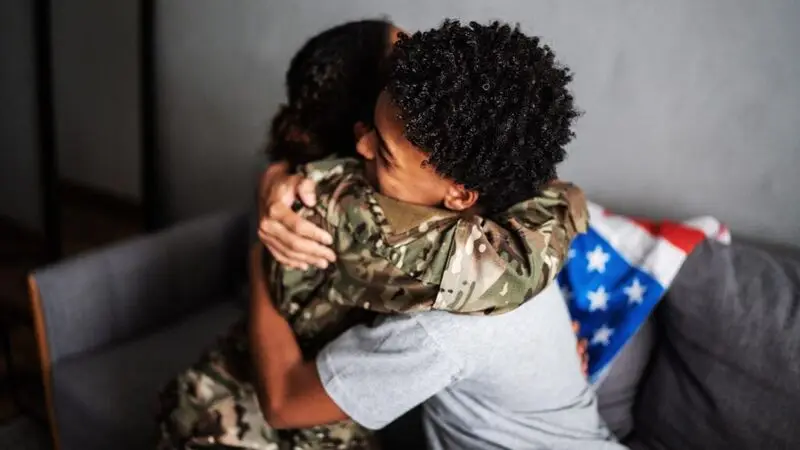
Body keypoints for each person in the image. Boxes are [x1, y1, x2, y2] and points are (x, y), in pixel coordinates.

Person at [158, 18, 590, 450]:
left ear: (461, 193)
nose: (366, 148)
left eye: (383, 152)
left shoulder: (451, 296)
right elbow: (561, 203)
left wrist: (261, 242)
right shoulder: (358, 213)